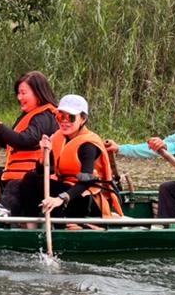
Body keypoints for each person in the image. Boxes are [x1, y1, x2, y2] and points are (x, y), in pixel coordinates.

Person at [15, 94, 123, 222]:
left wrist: (60, 198)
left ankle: (63, 225)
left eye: (71, 117)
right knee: (30, 178)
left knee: (50, 189)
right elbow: (44, 172)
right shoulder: (57, 137)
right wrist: (45, 154)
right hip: (65, 189)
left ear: (82, 119)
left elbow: (86, 183)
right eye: (61, 116)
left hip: (86, 197)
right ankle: (30, 226)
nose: (64, 122)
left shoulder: (88, 145)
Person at [0, 71, 58, 215]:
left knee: (14, 185)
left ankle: (2, 212)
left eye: (23, 93)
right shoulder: (30, 115)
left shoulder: (44, 116)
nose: (19, 97)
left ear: (38, 92)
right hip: (16, 173)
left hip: (33, 177)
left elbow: (25, 140)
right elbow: (10, 143)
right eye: (18, 93)